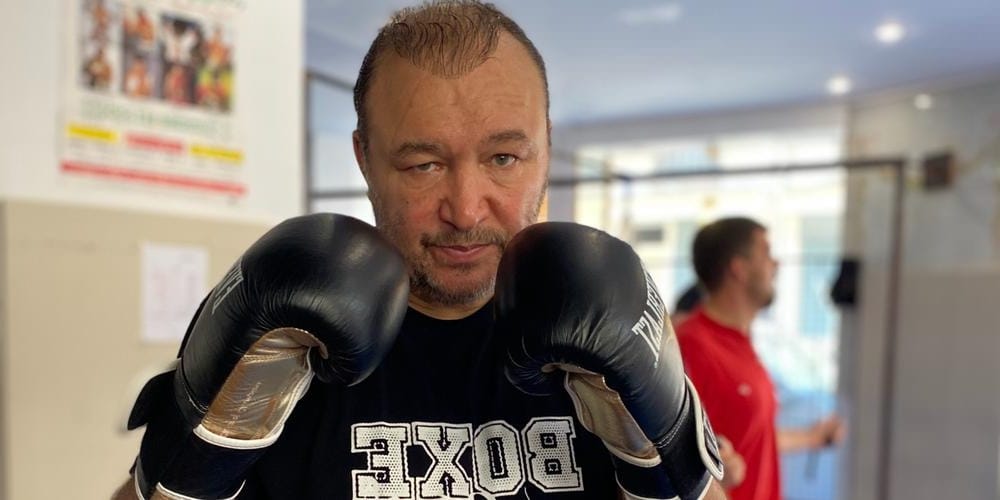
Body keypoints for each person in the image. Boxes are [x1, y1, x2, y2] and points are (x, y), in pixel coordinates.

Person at [112, 2, 727, 499]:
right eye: (424, 164)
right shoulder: (290, 340)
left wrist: (662, 465)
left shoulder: (600, 331)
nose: (464, 208)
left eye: (504, 158)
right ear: (365, 158)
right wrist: (197, 454)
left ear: (545, 148)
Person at [675, 217, 846, 500]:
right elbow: (666, 451)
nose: (775, 265)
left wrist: (813, 438)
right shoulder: (691, 345)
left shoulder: (742, 343)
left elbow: (754, 438)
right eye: (766, 253)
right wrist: (711, 476)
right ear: (738, 269)